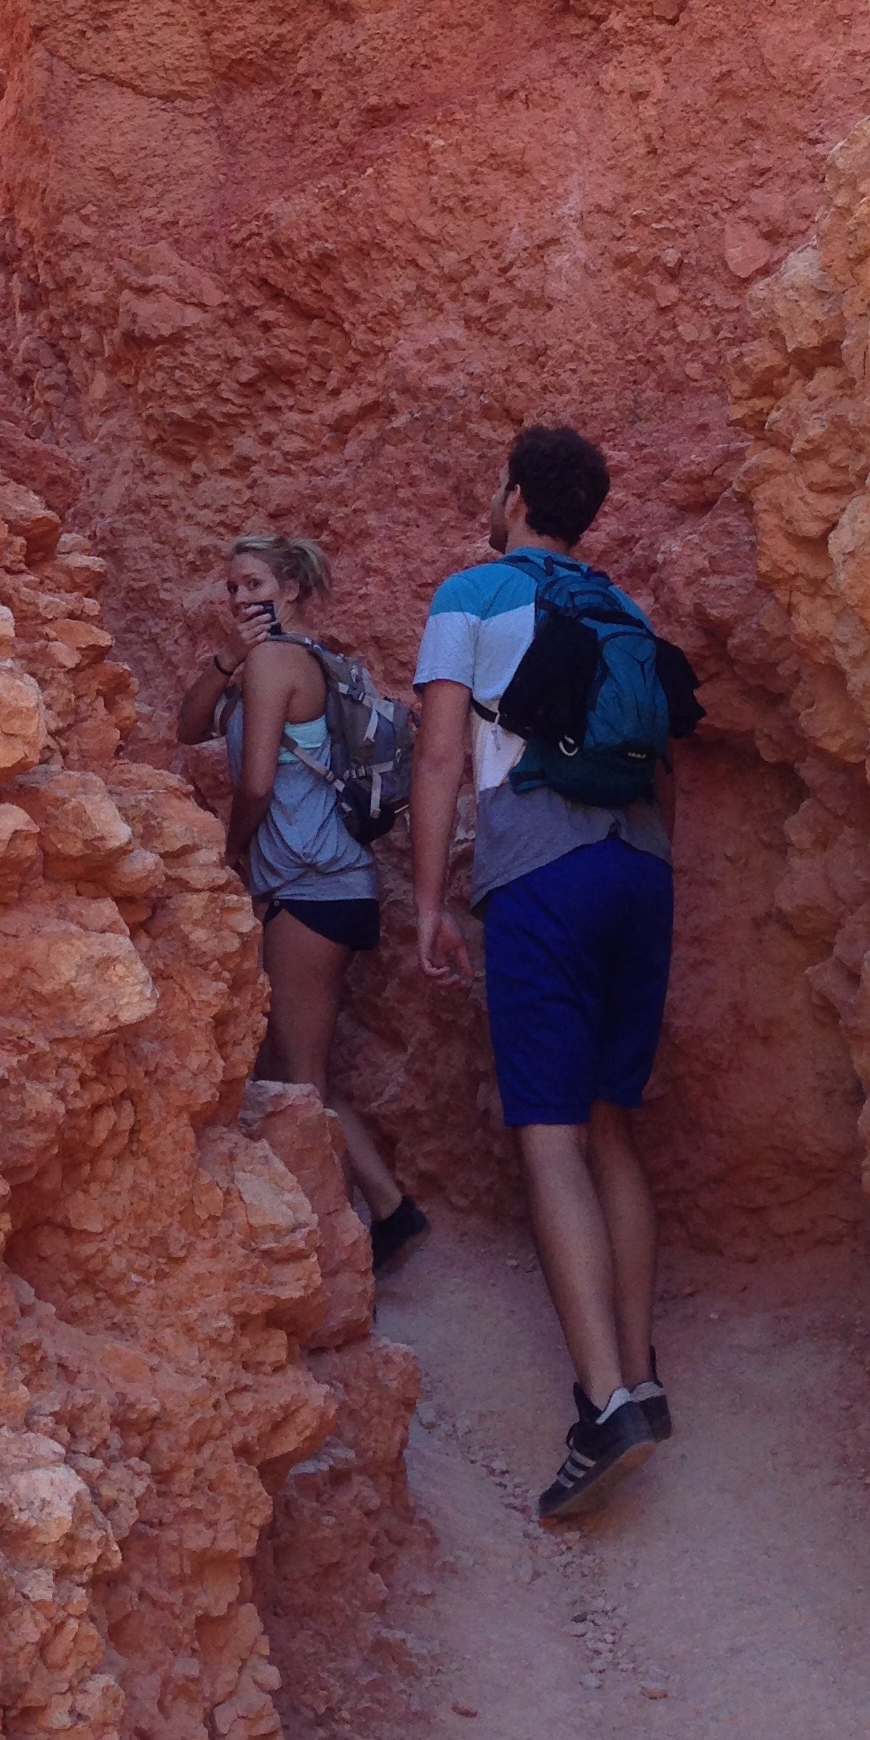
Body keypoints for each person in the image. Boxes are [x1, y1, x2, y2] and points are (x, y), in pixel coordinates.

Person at [411, 425, 678, 1521]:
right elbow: (663, 762)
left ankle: (603, 1404)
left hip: (542, 872)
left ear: (516, 495)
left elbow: (441, 754)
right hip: (642, 871)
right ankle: (643, 1380)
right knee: (613, 1127)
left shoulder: (471, 595)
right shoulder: (626, 609)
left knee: (551, 1136)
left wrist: (429, 901)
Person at [178, 532, 430, 1275]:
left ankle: (342, 1241)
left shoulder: (278, 663)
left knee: (299, 1080)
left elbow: (256, 783)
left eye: (254, 584)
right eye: (232, 586)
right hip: (327, 884)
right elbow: (188, 728)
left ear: (290, 588)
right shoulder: (272, 661)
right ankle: (388, 1213)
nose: (239, 597)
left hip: (311, 886)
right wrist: (226, 657)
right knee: (298, 1067)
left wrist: (232, 854)